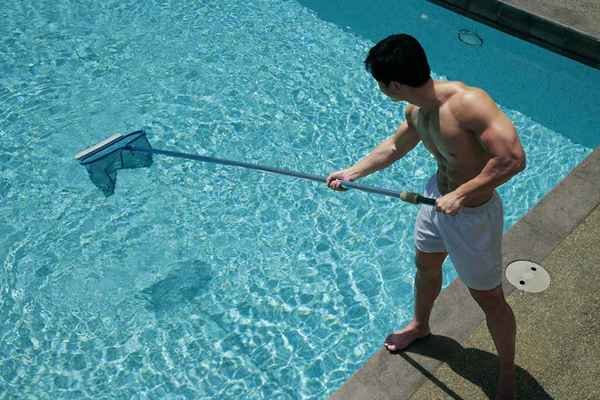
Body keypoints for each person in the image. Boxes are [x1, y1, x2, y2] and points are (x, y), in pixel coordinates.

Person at [326, 34, 525, 400]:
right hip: (435, 199)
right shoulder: (415, 110)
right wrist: (351, 173)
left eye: (380, 82)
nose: (380, 87)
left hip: (472, 215)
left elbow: (512, 158)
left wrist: (462, 194)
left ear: (394, 84)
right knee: (426, 266)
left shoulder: (469, 104)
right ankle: (420, 326)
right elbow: (393, 146)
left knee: (489, 298)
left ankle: (507, 374)